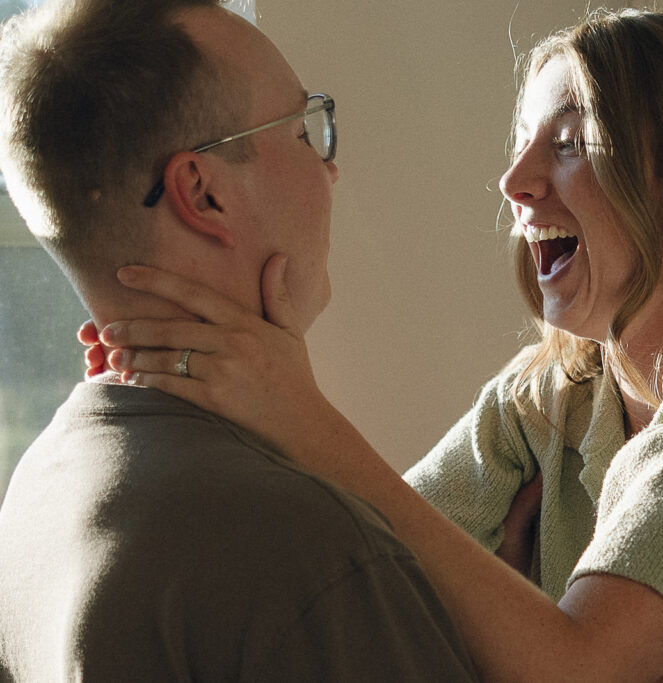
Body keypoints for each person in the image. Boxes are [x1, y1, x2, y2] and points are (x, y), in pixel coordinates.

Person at [72, 8, 663, 683]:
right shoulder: (556, 392)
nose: (514, 182)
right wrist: (208, 399)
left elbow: (571, 667)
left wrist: (298, 408)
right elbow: (363, 574)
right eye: (522, 144)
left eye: (568, 142)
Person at [0, 1, 481, 679]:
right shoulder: (307, 552)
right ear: (204, 193)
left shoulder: (37, 490)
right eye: (302, 130)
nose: (329, 169)